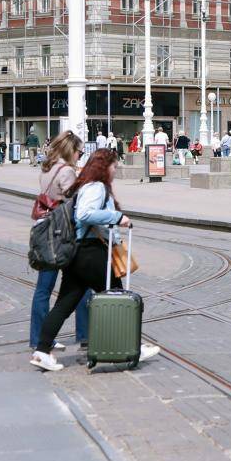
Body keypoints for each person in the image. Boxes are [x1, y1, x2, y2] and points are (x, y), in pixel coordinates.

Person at [33, 147, 160, 372]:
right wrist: (117, 217)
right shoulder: (96, 187)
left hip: (79, 254)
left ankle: (42, 351)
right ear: (104, 167)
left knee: (65, 304)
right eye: (114, 167)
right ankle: (133, 347)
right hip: (91, 253)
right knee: (119, 297)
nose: (115, 171)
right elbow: (84, 213)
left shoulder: (85, 185)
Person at [30, 131, 91, 353]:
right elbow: (74, 202)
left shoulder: (47, 168)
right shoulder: (66, 171)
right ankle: (85, 335)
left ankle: (38, 338)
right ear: (70, 150)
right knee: (82, 284)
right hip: (62, 234)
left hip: (44, 230)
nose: (80, 155)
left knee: (43, 290)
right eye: (79, 151)